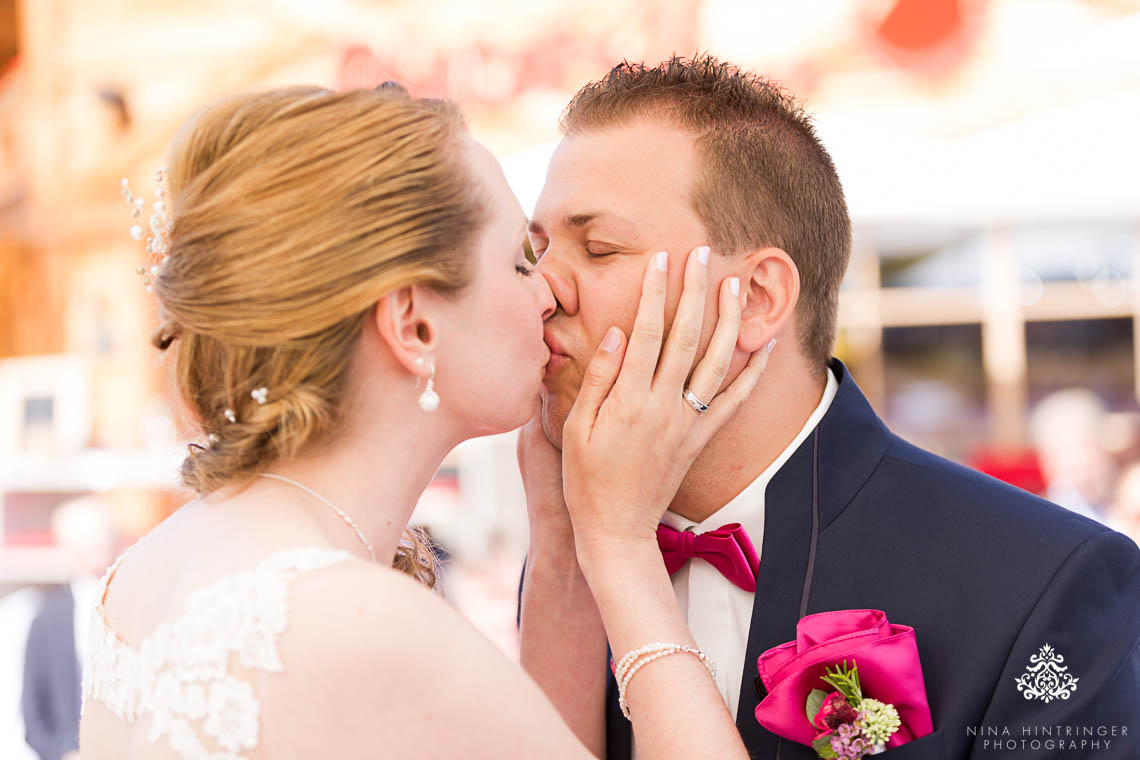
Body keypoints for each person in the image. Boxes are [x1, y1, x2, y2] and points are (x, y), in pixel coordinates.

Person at [78, 83, 775, 759]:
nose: (549, 293)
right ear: (412, 322)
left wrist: (562, 530)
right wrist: (620, 545)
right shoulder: (361, 628)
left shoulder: (145, 574)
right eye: (519, 261)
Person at [517, 55, 1140, 759]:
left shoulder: (1042, 582)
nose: (541, 292)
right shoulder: (567, 562)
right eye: (533, 253)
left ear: (755, 299)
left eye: (598, 248)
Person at [23, 496, 116, 760]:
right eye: (87, 543)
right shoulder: (47, 619)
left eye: (103, 540)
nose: (98, 549)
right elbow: (34, 715)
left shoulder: (136, 604)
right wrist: (65, 754)